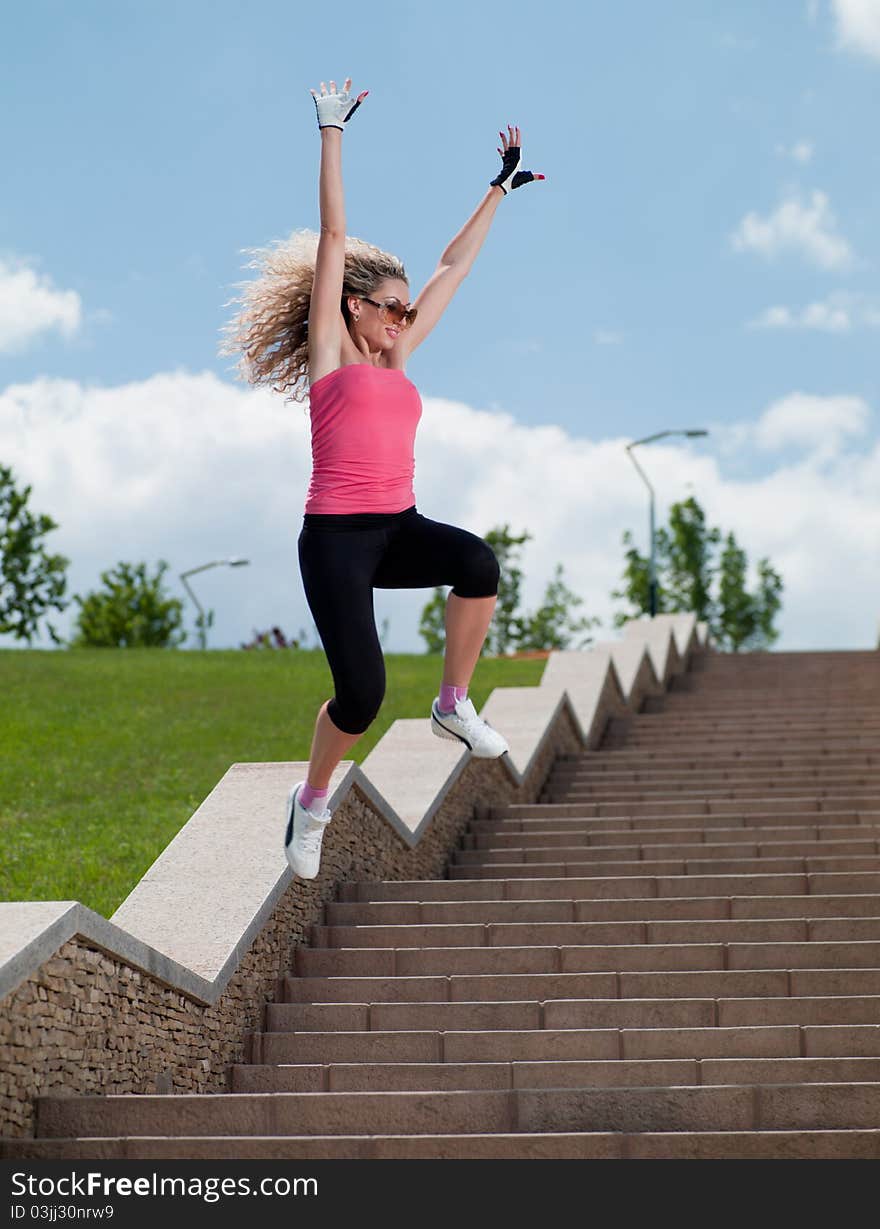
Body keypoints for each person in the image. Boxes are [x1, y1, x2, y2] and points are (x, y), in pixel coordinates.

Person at [219, 76, 545, 879]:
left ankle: (450, 705)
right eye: (391, 308)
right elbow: (333, 238)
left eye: (406, 311)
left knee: (477, 563)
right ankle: (314, 800)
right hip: (336, 540)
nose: (403, 320)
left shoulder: (398, 359)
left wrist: (497, 190)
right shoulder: (331, 358)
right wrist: (332, 133)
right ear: (354, 308)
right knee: (360, 694)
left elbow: (451, 268)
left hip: (397, 526)